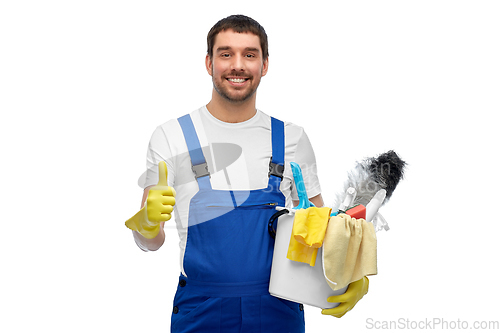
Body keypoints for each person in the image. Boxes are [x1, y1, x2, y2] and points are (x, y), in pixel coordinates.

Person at [126, 14, 368, 333]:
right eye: (225, 53)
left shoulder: (292, 139)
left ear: (264, 65)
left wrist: (352, 272)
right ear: (209, 62)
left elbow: (321, 231)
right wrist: (146, 222)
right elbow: (150, 243)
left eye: (249, 54)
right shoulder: (172, 136)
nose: (237, 65)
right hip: (200, 313)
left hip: (278, 311)